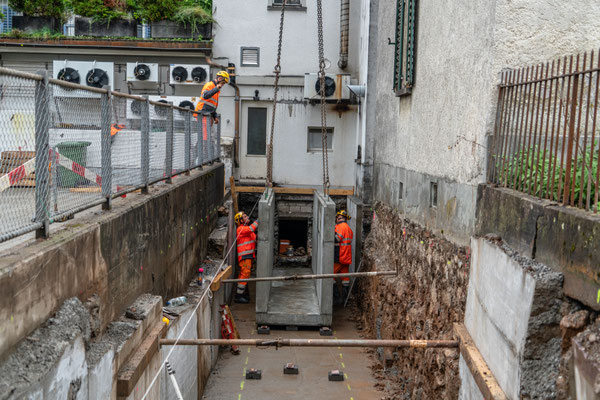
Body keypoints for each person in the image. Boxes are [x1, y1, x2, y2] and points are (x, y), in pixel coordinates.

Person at [234, 211, 258, 303]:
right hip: (244, 256)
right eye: (244, 216)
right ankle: (239, 296)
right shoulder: (241, 229)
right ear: (240, 220)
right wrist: (260, 219)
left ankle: (242, 293)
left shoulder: (247, 229)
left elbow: (253, 236)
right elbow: (252, 228)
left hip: (248, 255)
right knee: (245, 274)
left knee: (245, 274)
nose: (247, 217)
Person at [334, 210, 353, 305]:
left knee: (331, 276)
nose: (337, 219)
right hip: (346, 257)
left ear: (340, 218)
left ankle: (336, 299)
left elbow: (337, 239)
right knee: (345, 280)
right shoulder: (349, 228)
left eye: (338, 218)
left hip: (339, 257)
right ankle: (345, 300)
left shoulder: (341, 226)